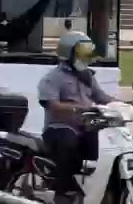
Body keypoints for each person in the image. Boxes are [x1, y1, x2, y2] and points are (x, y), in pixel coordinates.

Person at [37, 31, 115, 203]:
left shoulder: (87, 76)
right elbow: (53, 106)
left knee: (104, 149)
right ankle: (62, 191)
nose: (86, 56)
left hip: (85, 127)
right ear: (69, 53)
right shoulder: (52, 78)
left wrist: (121, 105)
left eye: (88, 51)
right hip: (58, 129)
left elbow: (102, 97)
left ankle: (96, 189)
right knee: (69, 143)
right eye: (82, 52)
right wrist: (78, 108)